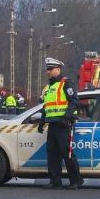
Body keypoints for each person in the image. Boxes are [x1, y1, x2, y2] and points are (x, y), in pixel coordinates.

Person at [38, 57, 83, 189]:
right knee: (52, 154)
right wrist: (42, 122)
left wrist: (67, 117)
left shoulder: (66, 83)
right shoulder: (47, 87)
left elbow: (74, 101)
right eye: (47, 69)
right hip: (52, 124)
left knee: (67, 154)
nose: (48, 72)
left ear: (58, 69)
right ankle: (55, 181)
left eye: (51, 69)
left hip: (63, 125)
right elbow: (47, 107)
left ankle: (76, 181)